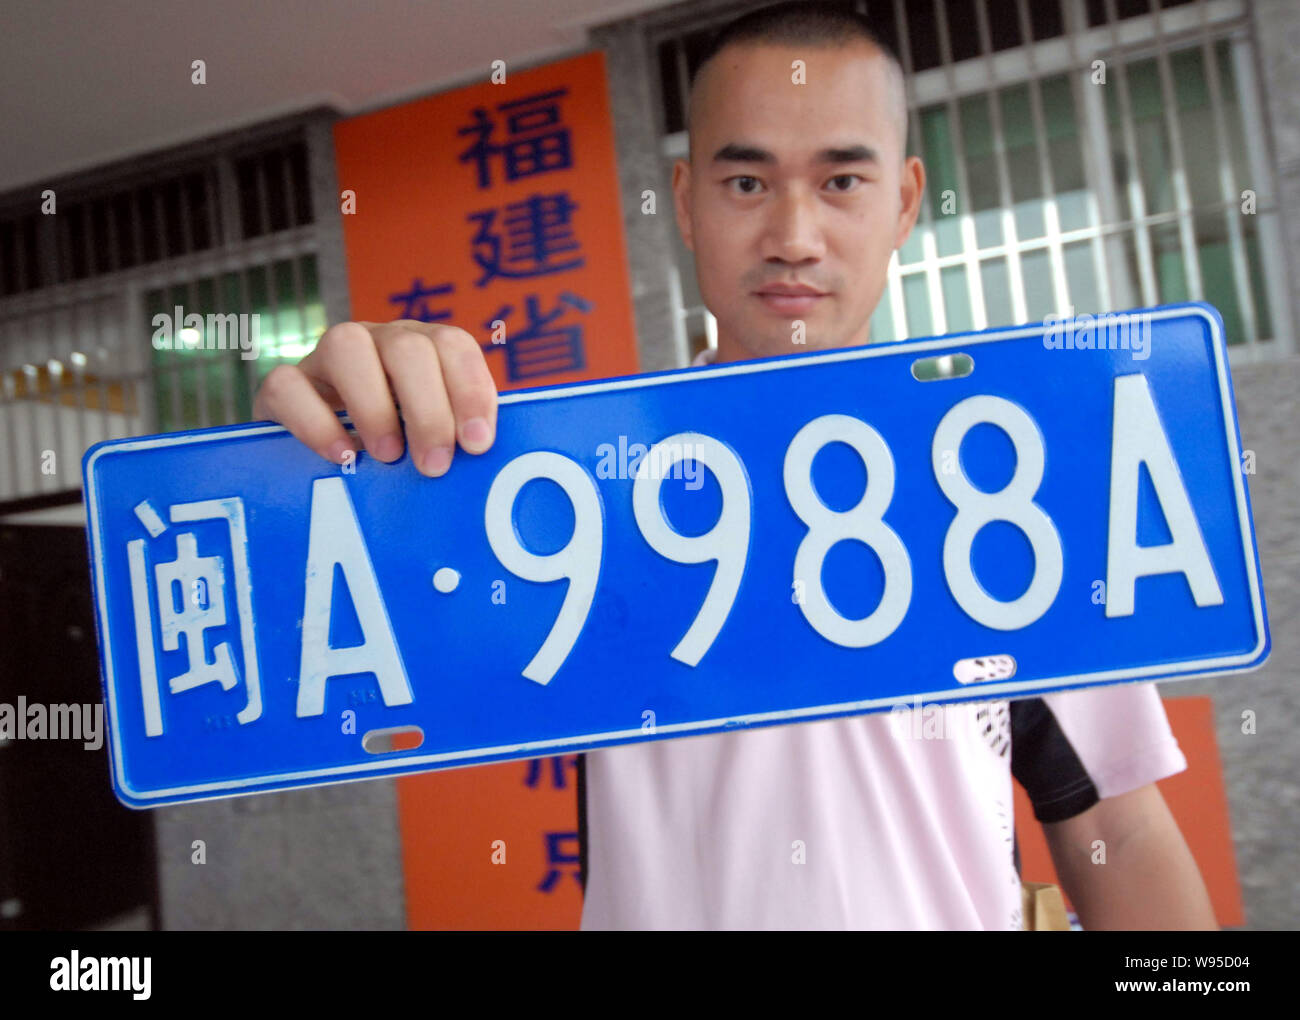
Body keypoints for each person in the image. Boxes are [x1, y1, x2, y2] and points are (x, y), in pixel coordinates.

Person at [253, 1, 1217, 930]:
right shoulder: (573, 491)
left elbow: (1120, 831)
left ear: (908, 202)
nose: (793, 237)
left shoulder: (1015, 477)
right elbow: (346, 645)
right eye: (746, 183)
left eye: (842, 181)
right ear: (683, 201)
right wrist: (324, 463)